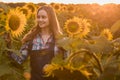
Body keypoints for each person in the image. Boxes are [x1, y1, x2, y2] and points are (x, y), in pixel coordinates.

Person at [6, 5, 65, 80]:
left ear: (51, 19)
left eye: (43, 17)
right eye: (38, 17)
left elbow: (66, 62)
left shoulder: (60, 40)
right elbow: (19, 59)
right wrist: (8, 46)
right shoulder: (31, 39)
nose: (40, 20)